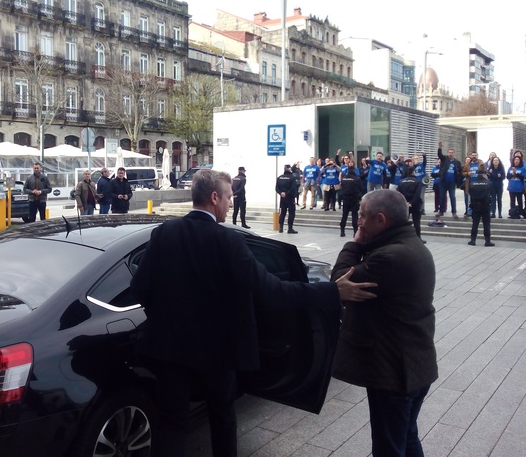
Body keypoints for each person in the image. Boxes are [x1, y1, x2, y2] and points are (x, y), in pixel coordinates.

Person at [130, 169, 377, 457]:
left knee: (172, 425)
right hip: (217, 355)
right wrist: (331, 292)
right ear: (214, 198)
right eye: (228, 197)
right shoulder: (229, 241)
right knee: (222, 418)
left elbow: (140, 289)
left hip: (168, 349)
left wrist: (166, 317)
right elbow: (271, 291)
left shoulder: (163, 233)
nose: (231, 204)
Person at [331, 189, 437, 457]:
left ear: (381, 219)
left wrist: (354, 244)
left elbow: (340, 280)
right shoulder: (413, 246)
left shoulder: (389, 257)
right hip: (414, 365)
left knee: (389, 447)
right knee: (407, 437)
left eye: (363, 217)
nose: (359, 222)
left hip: (393, 372)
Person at [468, 165, 494, 246]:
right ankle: (487, 241)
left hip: (475, 206)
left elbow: (469, 192)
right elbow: (492, 193)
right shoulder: (489, 183)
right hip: (485, 206)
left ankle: (473, 240)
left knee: (475, 223)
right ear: (484, 175)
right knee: (486, 224)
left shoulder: (472, 183)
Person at [398, 167, 425, 242]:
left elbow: (398, 194)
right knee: (416, 222)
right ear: (413, 172)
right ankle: (418, 239)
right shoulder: (417, 182)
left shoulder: (401, 182)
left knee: (403, 222)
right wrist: (411, 203)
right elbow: (417, 195)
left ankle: (401, 238)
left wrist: (405, 203)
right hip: (415, 205)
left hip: (404, 204)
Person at [437, 142, 462, 219]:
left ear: (454, 153)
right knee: (442, 197)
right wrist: (440, 148)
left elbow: (460, 172)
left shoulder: (457, 162)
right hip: (443, 181)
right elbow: (439, 155)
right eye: (449, 152)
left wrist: (458, 180)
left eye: (452, 153)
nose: (450, 154)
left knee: (452, 197)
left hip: (452, 182)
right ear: (447, 153)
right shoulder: (444, 159)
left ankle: (454, 212)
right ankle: (441, 211)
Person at [339, 163, 362, 238]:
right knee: (354, 216)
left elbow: (342, 187)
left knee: (344, 216)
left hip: (345, 199)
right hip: (354, 200)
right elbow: (360, 188)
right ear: (354, 170)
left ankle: (342, 231)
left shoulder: (344, 178)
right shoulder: (357, 179)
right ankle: (355, 232)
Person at [275, 164, 297, 233]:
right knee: (291, 213)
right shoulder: (292, 177)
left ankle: (281, 228)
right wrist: (286, 193)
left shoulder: (279, 177)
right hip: (290, 198)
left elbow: (276, 188)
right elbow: (293, 188)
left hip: (283, 198)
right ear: (290, 169)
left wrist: (281, 193)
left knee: (283, 213)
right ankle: (290, 228)